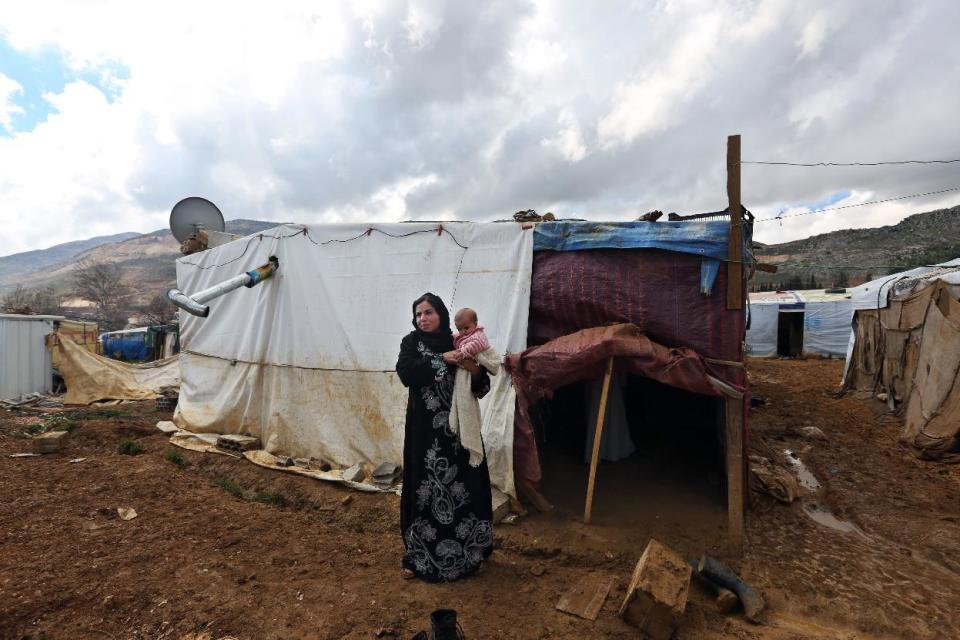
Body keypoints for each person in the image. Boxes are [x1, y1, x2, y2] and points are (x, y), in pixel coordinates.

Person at [396, 293, 494, 582]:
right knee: (426, 491)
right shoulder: (411, 343)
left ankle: (471, 555)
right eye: (418, 314)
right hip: (424, 437)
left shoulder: (461, 342)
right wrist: (442, 359)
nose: (422, 318)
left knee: (466, 489)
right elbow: (406, 373)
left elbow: (482, 386)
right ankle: (422, 557)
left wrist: (473, 369)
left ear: (440, 314)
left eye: (428, 312)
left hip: (459, 434)